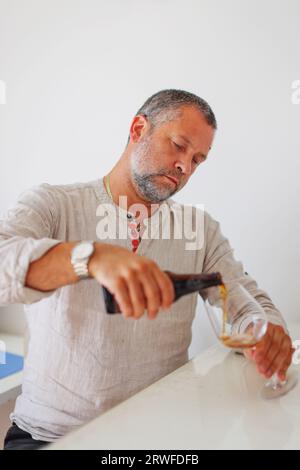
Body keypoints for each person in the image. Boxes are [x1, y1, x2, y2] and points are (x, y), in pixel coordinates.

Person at [0, 89, 293, 449]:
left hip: (157, 438)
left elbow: (246, 300)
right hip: (51, 436)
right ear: (139, 128)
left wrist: (264, 333)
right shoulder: (53, 205)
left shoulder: (200, 229)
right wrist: (89, 257)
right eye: (179, 145)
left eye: (198, 159)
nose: (186, 166)